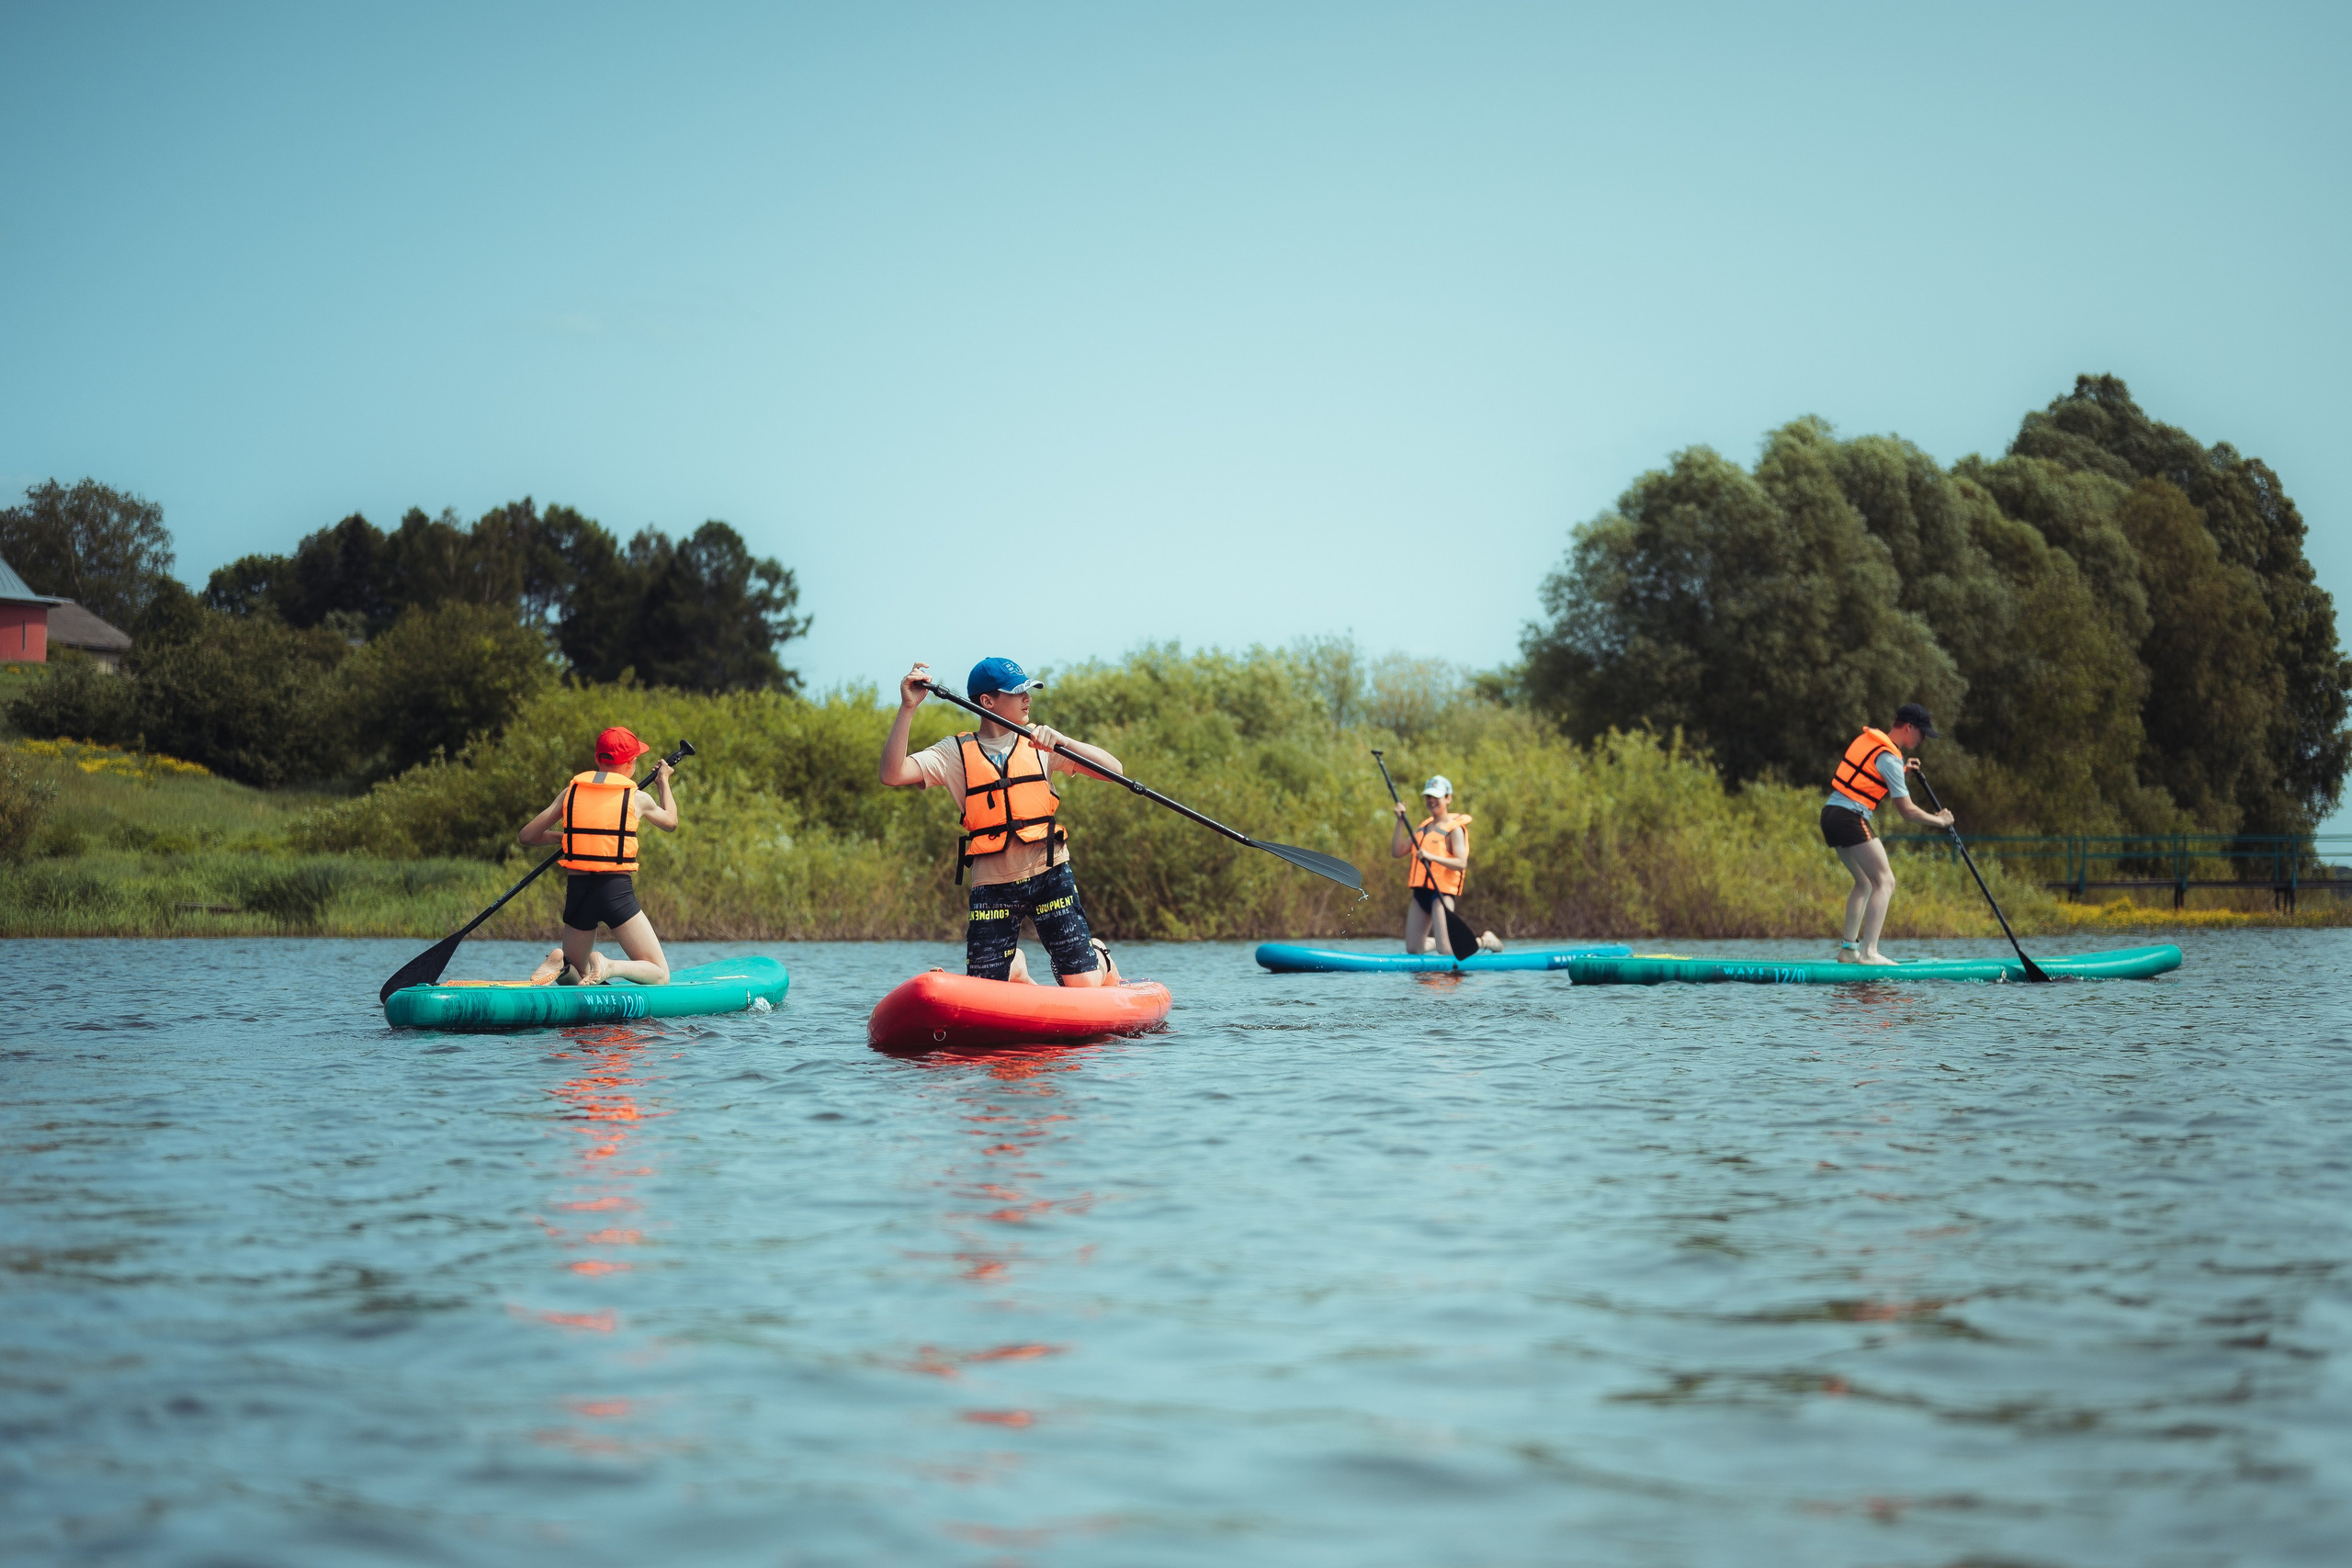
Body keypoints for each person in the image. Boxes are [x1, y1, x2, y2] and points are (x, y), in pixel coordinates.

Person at [877, 658, 1125, 987]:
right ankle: (1016, 969)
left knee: (1082, 987)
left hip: (1048, 873)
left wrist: (1064, 742)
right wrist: (908, 708)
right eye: (1018, 692)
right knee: (987, 987)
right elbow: (892, 774)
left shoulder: (1041, 742)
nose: (1028, 698)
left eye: (1028, 690)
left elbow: (1115, 772)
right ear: (987, 701)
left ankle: (1099, 956)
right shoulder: (954, 752)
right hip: (992, 883)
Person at [518, 727, 680, 986]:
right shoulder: (637, 797)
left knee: (577, 976)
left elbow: (527, 836)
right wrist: (663, 782)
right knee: (660, 974)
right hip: (614, 891)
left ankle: (562, 963)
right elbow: (671, 821)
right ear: (632, 763)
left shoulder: (571, 792)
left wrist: (566, 838)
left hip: (578, 891)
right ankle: (608, 965)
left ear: (597, 759)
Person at [1821, 702, 1954, 965]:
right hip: (1850, 817)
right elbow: (1907, 810)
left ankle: (1849, 950)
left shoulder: (1873, 744)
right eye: (1922, 733)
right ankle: (1869, 953)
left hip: (1830, 814)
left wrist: (1904, 770)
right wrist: (1939, 821)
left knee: (1865, 883)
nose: (1923, 738)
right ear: (1908, 728)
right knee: (1885, 881)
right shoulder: (1890, 758)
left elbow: (1872, 773)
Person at [1388, 774, 1502, 955]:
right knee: (1413, 948)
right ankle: (1442, 941)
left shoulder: (1454, 829)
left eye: (1436, 797)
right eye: (1428, 797)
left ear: (1448, 798)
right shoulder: (1423, 828)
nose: (1432, 801)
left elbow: (1461, 863)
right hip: (1421, 893)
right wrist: (1400, 821)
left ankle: (1484, 941)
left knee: (1447, 949)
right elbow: (1397, 852)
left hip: (1441, 893)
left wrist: (1432, 857)